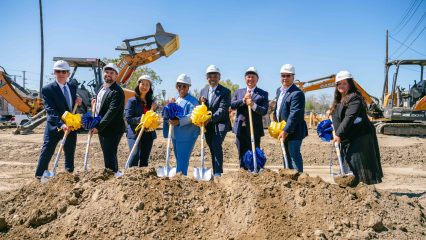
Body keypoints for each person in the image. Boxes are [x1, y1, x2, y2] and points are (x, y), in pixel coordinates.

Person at [330, 70, 383, 185]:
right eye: (339, 84)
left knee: (356, 161)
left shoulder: (355, 98)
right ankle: (350, 186)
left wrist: (339, 134)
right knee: (347, 160)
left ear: (350, 84)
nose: (341, 86)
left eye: (344, 83)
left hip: (361, 135)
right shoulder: (337, 101)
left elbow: (349, 117)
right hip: (348, 135)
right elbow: (336, 119)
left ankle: (361, 187)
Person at [35, 60, 82, 178]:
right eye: (58, 71)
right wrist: (61, 124)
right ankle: (39, 176)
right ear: (54, 73)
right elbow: (50, 109)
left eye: (64, 71)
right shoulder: (47, 89)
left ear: (68, 74)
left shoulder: (72, 86)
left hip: (71, 125)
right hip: (55, 126)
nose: (61, 73)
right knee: (47, 150)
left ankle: (68, 175)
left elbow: (72, 99)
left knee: (70, 151)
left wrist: (78, 99)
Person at [231, 67, 269, 169]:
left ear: (257, 79)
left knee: (254, 151)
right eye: (248, 77)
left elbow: (264, 110)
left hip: (254, 129)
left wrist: (252, 104)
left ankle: (254, 170)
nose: (250, 79)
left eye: (253, 77)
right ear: (245, 79)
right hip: (240, 128)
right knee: (241, 151)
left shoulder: (263, 94)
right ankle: (242, 170)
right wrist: (243, 100)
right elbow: (232, 105)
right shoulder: (239, 92)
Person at [91, 63, 125, 177]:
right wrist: (95, 102)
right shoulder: (101, 87)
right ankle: (113, 174)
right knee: (107, 152)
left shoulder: (117, 92)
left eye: (112, 73)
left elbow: (111, 112)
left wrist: (98, 127)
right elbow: (102, 105)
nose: (108, 75)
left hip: (113, 128)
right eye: (107, 72)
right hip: (104, 127)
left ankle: (114, 175)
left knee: (109, 152)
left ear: (116, 76)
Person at [163, 74, 200, 175]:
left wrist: (179, 121)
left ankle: (181, 178)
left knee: (182, 159)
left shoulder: (193, 101)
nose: (182, 88)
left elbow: (193, 116)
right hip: (176, 135)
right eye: (179, 86)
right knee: (179, 158)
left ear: (188, 87)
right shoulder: (176, 100)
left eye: (184, 86)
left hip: (186, 136)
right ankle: (179, 178)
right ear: (176, 87)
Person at [274, 64, 308, 172]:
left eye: (288, 76)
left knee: (294, 155)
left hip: (294, 130)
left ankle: (298, 179)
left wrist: (285, 130)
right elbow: (278, 107)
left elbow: (294, 114)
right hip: (283, 128)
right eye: (283, 75)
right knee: (285, 155)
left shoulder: (297, 93)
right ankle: (287, 177)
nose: (285, 78)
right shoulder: (279, 90)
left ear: (293, 77)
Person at [199, 65, 231, 177]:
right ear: (206, 77)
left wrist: (210, 118)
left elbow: (222, 109)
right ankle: (214, 170)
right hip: (208, 125)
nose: (212, 78)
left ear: (219, 77)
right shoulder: (203, 91)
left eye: (215, 76)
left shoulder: (225, 91)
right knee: (211, 146)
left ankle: (218, 172)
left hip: (221, 122)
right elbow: (202, 108)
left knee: (216, 144)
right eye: (210, 76)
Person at [125, 75, 158, 167]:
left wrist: (153, 111)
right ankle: (131, 177)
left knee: (144, 159)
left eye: (147, 84)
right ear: (138, 85)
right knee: (134, 157)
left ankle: (143, 180)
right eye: (142, 84)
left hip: (148, 134)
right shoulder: (132, 101)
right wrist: (143, 119)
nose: (144, 86)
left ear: (150, 87)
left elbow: (153, 118)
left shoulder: (152, 102)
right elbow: (128, 118)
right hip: (135, 133)